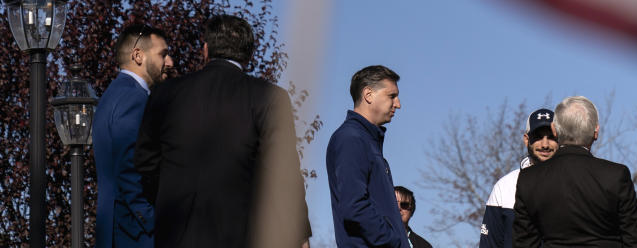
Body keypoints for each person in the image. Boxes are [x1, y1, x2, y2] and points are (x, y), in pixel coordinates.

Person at [134, 15, 311, 248]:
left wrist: (171, 192)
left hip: (176, 234)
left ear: (205, 50)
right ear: (249, 55)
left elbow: (145, 163)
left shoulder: (164, 94)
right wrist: (300, 235)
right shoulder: (269, 98)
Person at [513, 96, 637, 247]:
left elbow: (524, 243)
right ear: (596, 131)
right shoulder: (616, 175)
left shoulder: (529, 179)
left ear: (554, 130)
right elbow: (635, 241)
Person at [93, 23, 173, 248]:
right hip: (134, 234)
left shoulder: (113, 95)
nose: (169, 63)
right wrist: (150, 219)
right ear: (138, 55)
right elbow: (129, 165)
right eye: (163, 54)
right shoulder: (133, 98)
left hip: (118, 229)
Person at [327, 65, 406, 247]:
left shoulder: (366, 141)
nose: (398, 104)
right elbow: (354, 206)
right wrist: (394, 242)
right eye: (392, 96)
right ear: (368, 95)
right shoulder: (351, 139)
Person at [479, 107, 558, 247]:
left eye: (551, 137)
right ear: (526, 140)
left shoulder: (571, 183)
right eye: (538, 137)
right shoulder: (505, 186)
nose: (545, 144)